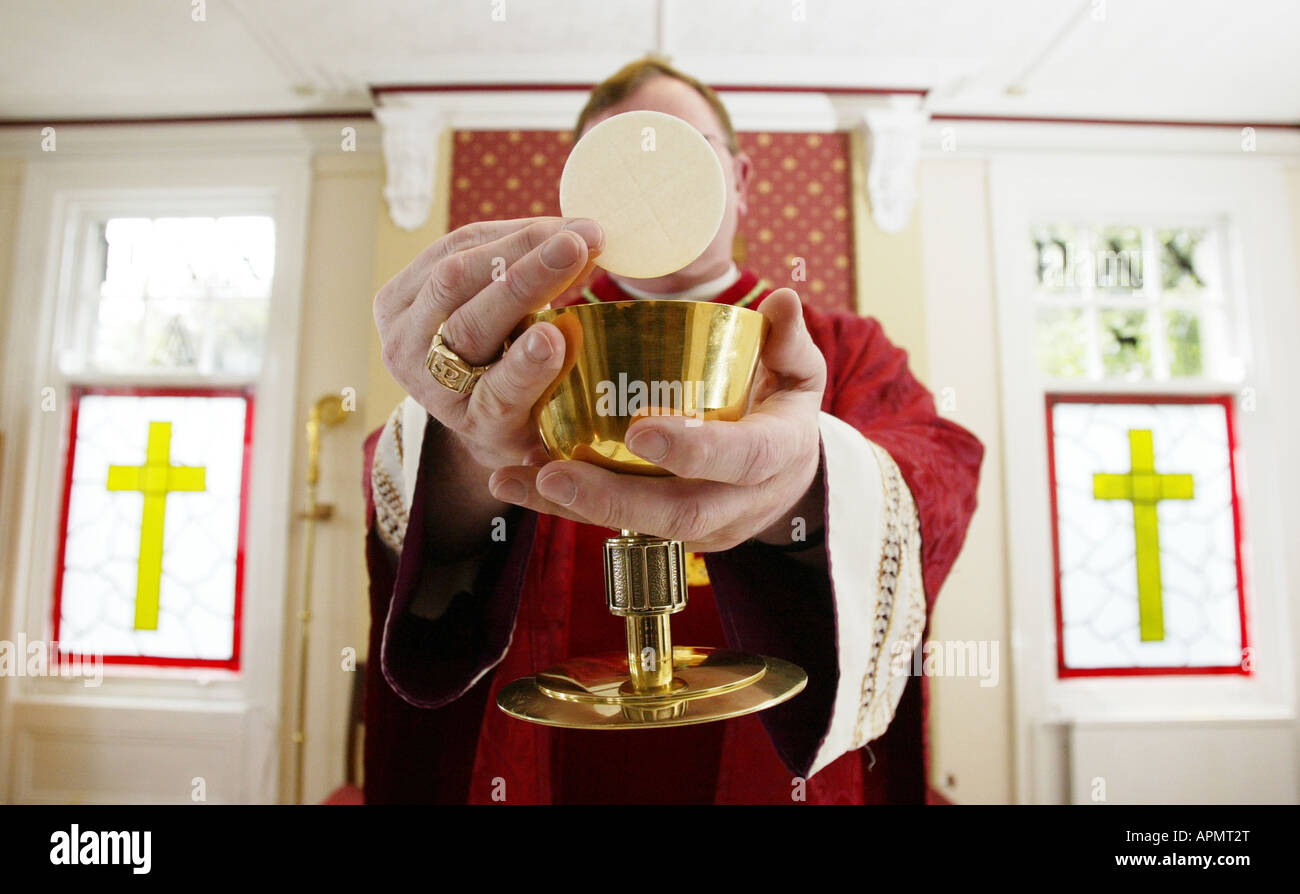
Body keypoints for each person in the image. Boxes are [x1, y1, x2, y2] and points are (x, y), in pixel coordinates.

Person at [364, 58, 983, 804]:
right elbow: (395, 483)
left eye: (683, 149)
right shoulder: (514, 339)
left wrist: (804, 492)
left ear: (741, 180)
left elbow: (941, 467)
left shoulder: (836, 347)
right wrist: (466, 447)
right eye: (619, 160)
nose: (649, 182)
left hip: (772, 767)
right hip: (545, 753)